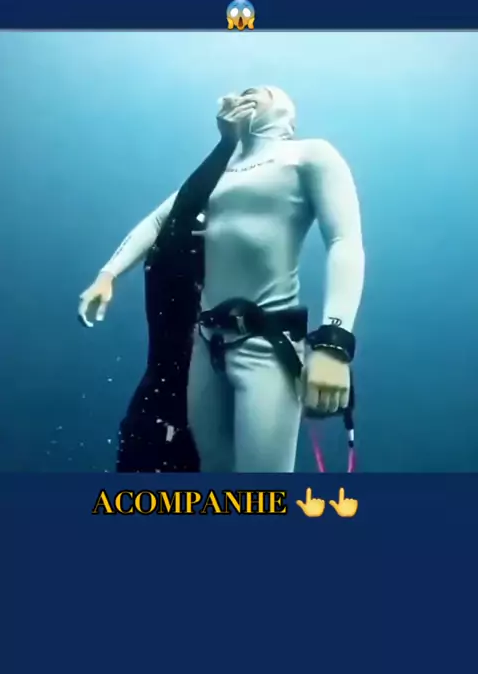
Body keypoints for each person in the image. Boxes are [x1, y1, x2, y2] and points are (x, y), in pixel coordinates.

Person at [79, 87, 365, 473]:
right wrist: (108, 274)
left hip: (266, 345)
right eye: (243, 89)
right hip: (205, 345)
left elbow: (344, 241)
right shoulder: (217, 171)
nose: (246, 93)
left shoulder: (310, 154)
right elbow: (161, 220)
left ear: (288, 114)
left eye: (262, 91)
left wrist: (334, 343)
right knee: (212, 473)